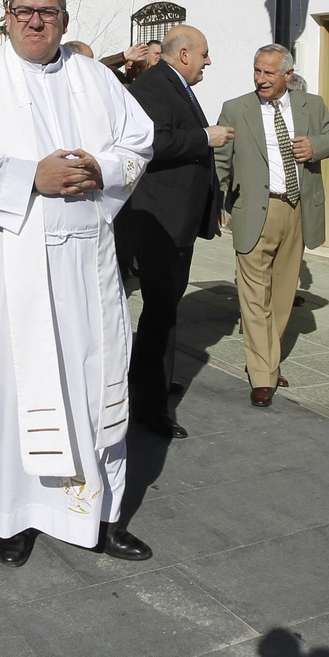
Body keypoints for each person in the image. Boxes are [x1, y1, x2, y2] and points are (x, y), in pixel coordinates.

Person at [0, 0, 154, 569]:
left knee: (95, 379)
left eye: (48, 12)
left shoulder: (95, 76)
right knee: (16, 391)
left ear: (63, 19)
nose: (36, 21)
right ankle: (16, 518)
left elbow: (139, 140)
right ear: (7, 16)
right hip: (15, 268)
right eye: (25, 11)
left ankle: (104, 516)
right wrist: (33, 177)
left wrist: (102, 169)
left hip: (86, 264)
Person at [215, 44, 329, 407]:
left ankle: (268, 361)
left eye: (268, 73)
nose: (260, 79)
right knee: (254, 296)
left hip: (297, 210)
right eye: (256, 70)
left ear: (288, 75)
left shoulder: (312, 106)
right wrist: (215, 204)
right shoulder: (236, 108)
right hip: (253, 211)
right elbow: (221, 161)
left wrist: (316, 146)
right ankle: (262, 374)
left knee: (283, 294)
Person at [114, 25, 229, 439]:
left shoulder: (173, 83)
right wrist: (205, 137)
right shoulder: (153, 86)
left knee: (163, 310)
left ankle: (152, 380)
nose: (208, 61)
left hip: (177, 219)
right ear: (183, 55)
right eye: (204, 54)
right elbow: (154, 143)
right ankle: (150, 406)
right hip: (161, 220)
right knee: (161, 311)